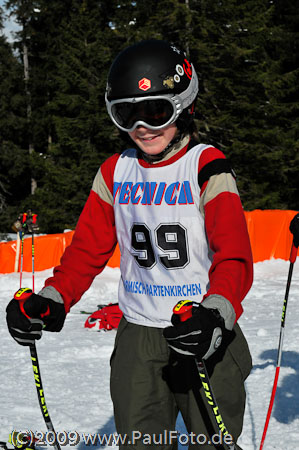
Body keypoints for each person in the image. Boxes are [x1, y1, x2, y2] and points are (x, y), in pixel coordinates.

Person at [6, 40, 253, 449]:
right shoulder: (115, 171)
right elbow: (86, 251)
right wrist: (52, 299)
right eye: (127, 113)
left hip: (200, 326)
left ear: (183, 105)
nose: (142, 126)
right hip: (139, 335)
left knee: (212, 441)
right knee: (140, 440)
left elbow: (235, 255)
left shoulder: (206, 166)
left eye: (155, 111)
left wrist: (215, 312)